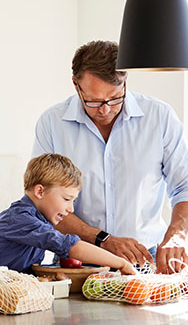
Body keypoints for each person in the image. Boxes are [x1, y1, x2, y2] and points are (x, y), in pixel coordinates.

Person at [32, 40, 188, 274]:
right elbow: (45, 204)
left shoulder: (160, 117)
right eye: (94, 101)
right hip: (75, 261)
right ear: (76, 85)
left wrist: (178, 234)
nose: (105, 110)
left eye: (115, 98)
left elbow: (184, 187)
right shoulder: (52, 124)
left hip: (146, 260)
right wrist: (103, 239)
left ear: (126, 82)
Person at [0, 153, 136, 277]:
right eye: (67, 199)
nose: (71, 209)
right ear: (40, 191)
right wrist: (121, 263)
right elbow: (72, 247)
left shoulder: (39, 221)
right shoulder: (21, 218)